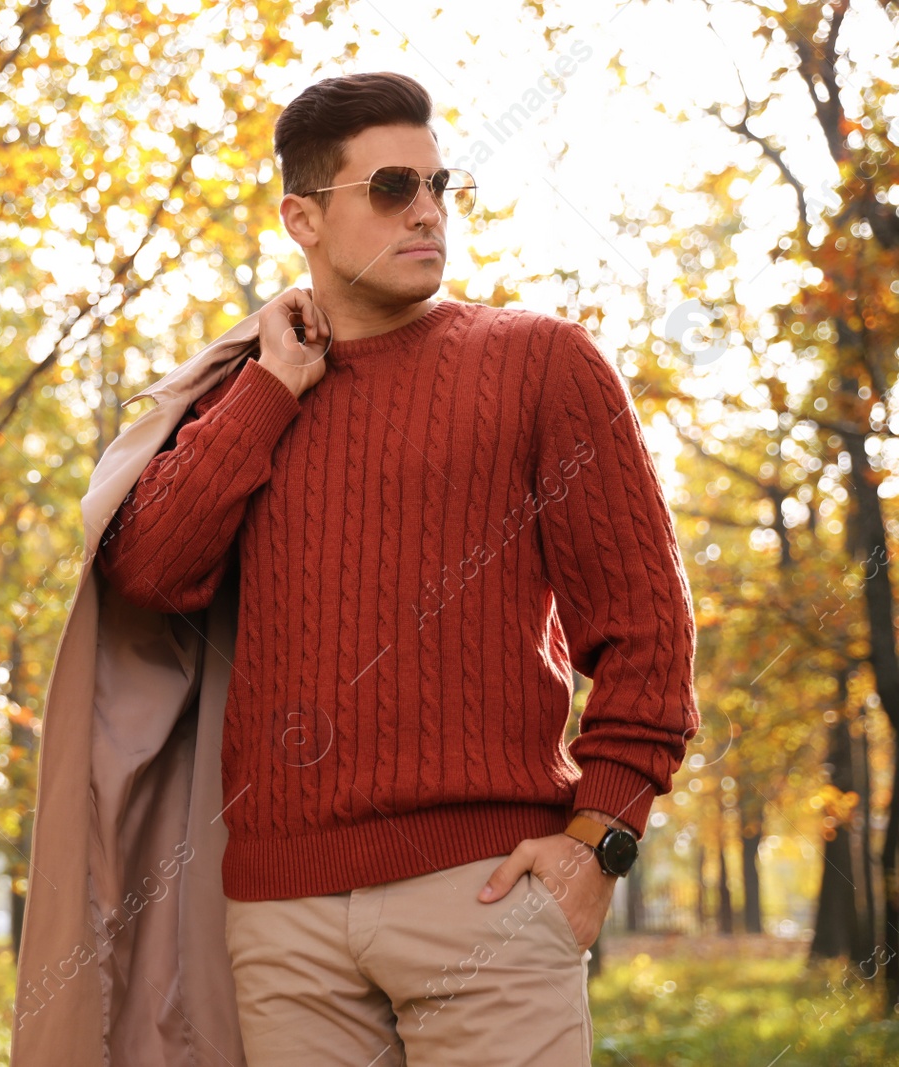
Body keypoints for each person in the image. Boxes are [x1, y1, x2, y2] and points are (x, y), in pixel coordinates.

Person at [94, 70, 698, 1066]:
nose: (426, 211)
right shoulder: (245, 397)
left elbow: (647, 627)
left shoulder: (543, 363)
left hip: (489, 895)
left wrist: (601, 843)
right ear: (303, 217)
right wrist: (269, 392)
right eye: (389, 188)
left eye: (436, 184)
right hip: (281, 919)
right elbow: (148, 576)